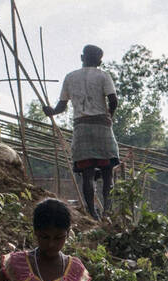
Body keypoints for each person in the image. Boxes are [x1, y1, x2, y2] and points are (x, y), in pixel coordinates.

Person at [51, 44, 119, 219]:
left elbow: (61, 106)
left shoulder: (70, 77)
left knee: (87, 173)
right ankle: (107, 211)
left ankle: (92, 212)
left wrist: (49, 111)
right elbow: (113, 101)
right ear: (100, 61)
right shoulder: (103, 76)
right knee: (107, 172)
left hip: (81, 127)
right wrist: (109, 116)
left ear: (82, 58)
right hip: (102, 126)